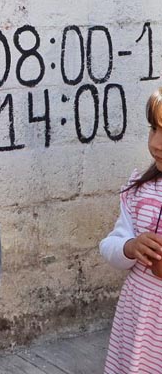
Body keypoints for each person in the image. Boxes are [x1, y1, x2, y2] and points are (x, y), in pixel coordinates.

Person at [100, 87, 162, 374]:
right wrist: (130, 247)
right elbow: (111, 245)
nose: (157, 143)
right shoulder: (141, 191)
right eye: (154, 129)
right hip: (141, 316)